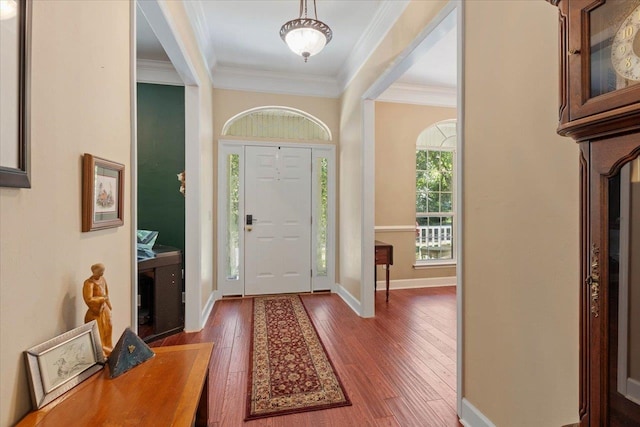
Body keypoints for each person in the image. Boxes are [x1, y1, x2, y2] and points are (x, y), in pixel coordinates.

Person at [83, 263, 113, 357]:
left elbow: (106, 292)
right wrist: (101, 299)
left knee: (108, 327)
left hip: (105, 308)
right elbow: (88, 299)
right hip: (96, 311)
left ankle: (109, 349)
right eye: (100, 271)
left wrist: (108, 303)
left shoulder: (103, 279)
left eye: (103, 271)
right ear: (94, 271)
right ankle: (101, 352)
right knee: (99, 331)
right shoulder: (89, 283)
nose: (102, 274)